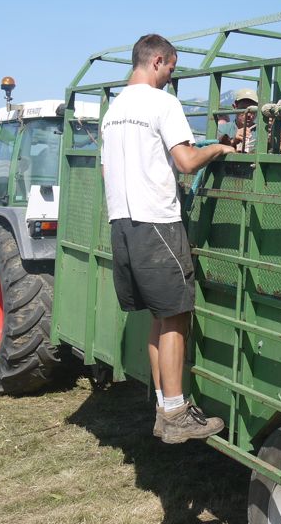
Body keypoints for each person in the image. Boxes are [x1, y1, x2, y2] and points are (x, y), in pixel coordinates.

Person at [100, 34, 234, 443]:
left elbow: (107, 170)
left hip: (122, 224)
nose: (171, 77)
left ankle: (163, 407)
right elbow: (187, 162)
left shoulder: (113, 110)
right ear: (158, 60)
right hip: (157, 222)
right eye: (172, 68)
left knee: (158, 318)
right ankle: (177, 413)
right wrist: (218, 149)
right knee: (176, 315)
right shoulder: (163, 103)